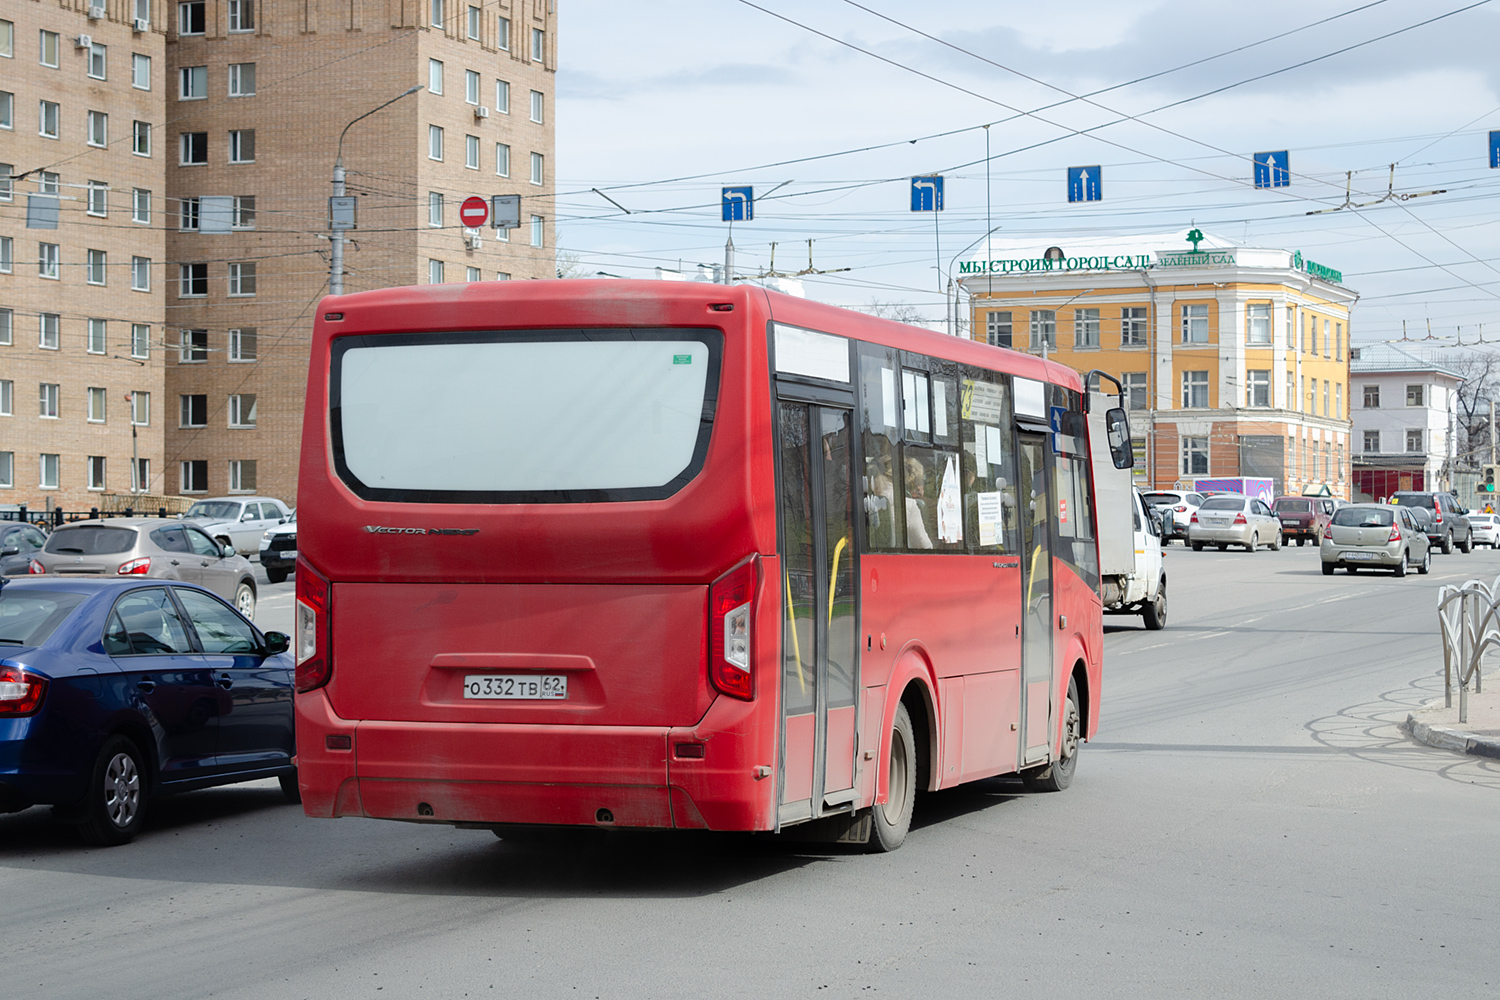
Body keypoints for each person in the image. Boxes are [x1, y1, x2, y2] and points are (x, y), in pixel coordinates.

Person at [904, 456, 934, 549]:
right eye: (919, 483)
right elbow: (926, 544)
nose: (919, 487)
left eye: (920, 483)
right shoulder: (926, 505)